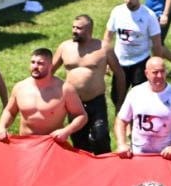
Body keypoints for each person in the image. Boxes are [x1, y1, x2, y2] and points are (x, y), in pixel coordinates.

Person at [51, 14, 123, 155]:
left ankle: (105, 169)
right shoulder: (65, 47)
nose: (74, 30)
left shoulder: (103, 48)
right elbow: (49, 72)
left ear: (89, 30)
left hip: (96, 101)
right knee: (79, 142)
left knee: (101, 138)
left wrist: (120, 101)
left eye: (79, 28)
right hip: (73, 103)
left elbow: (120, 74)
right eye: (73, 27)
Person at [0, 48, 87, 143]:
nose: (35, 66)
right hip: (25, 144)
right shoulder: (20, 88)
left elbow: (81, 116)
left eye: (40, 63)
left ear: (51, 66)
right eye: (33, 62)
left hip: (52, 145)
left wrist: (66, 131)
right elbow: (10, 111)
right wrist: (1, 127)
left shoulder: (65, 89)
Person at [115, 57, 171, 159]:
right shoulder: (135, 93)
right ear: (146, 73)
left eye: (162, 72)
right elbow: (121, 120)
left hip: (165, 157)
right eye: (155, 72)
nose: (160, 76)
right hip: (138, 155)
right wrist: (121, 144)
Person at [102, 0, 163, 107]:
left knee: (140, 98)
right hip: (119, 62)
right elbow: (108, 36)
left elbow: (157, 43)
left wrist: (157, 65)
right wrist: (106, 60)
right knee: (117, 97)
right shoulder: (117, 12)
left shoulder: (149, 15)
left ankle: (137, 121)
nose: (128, 1)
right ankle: (120, 119)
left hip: (140, 61)